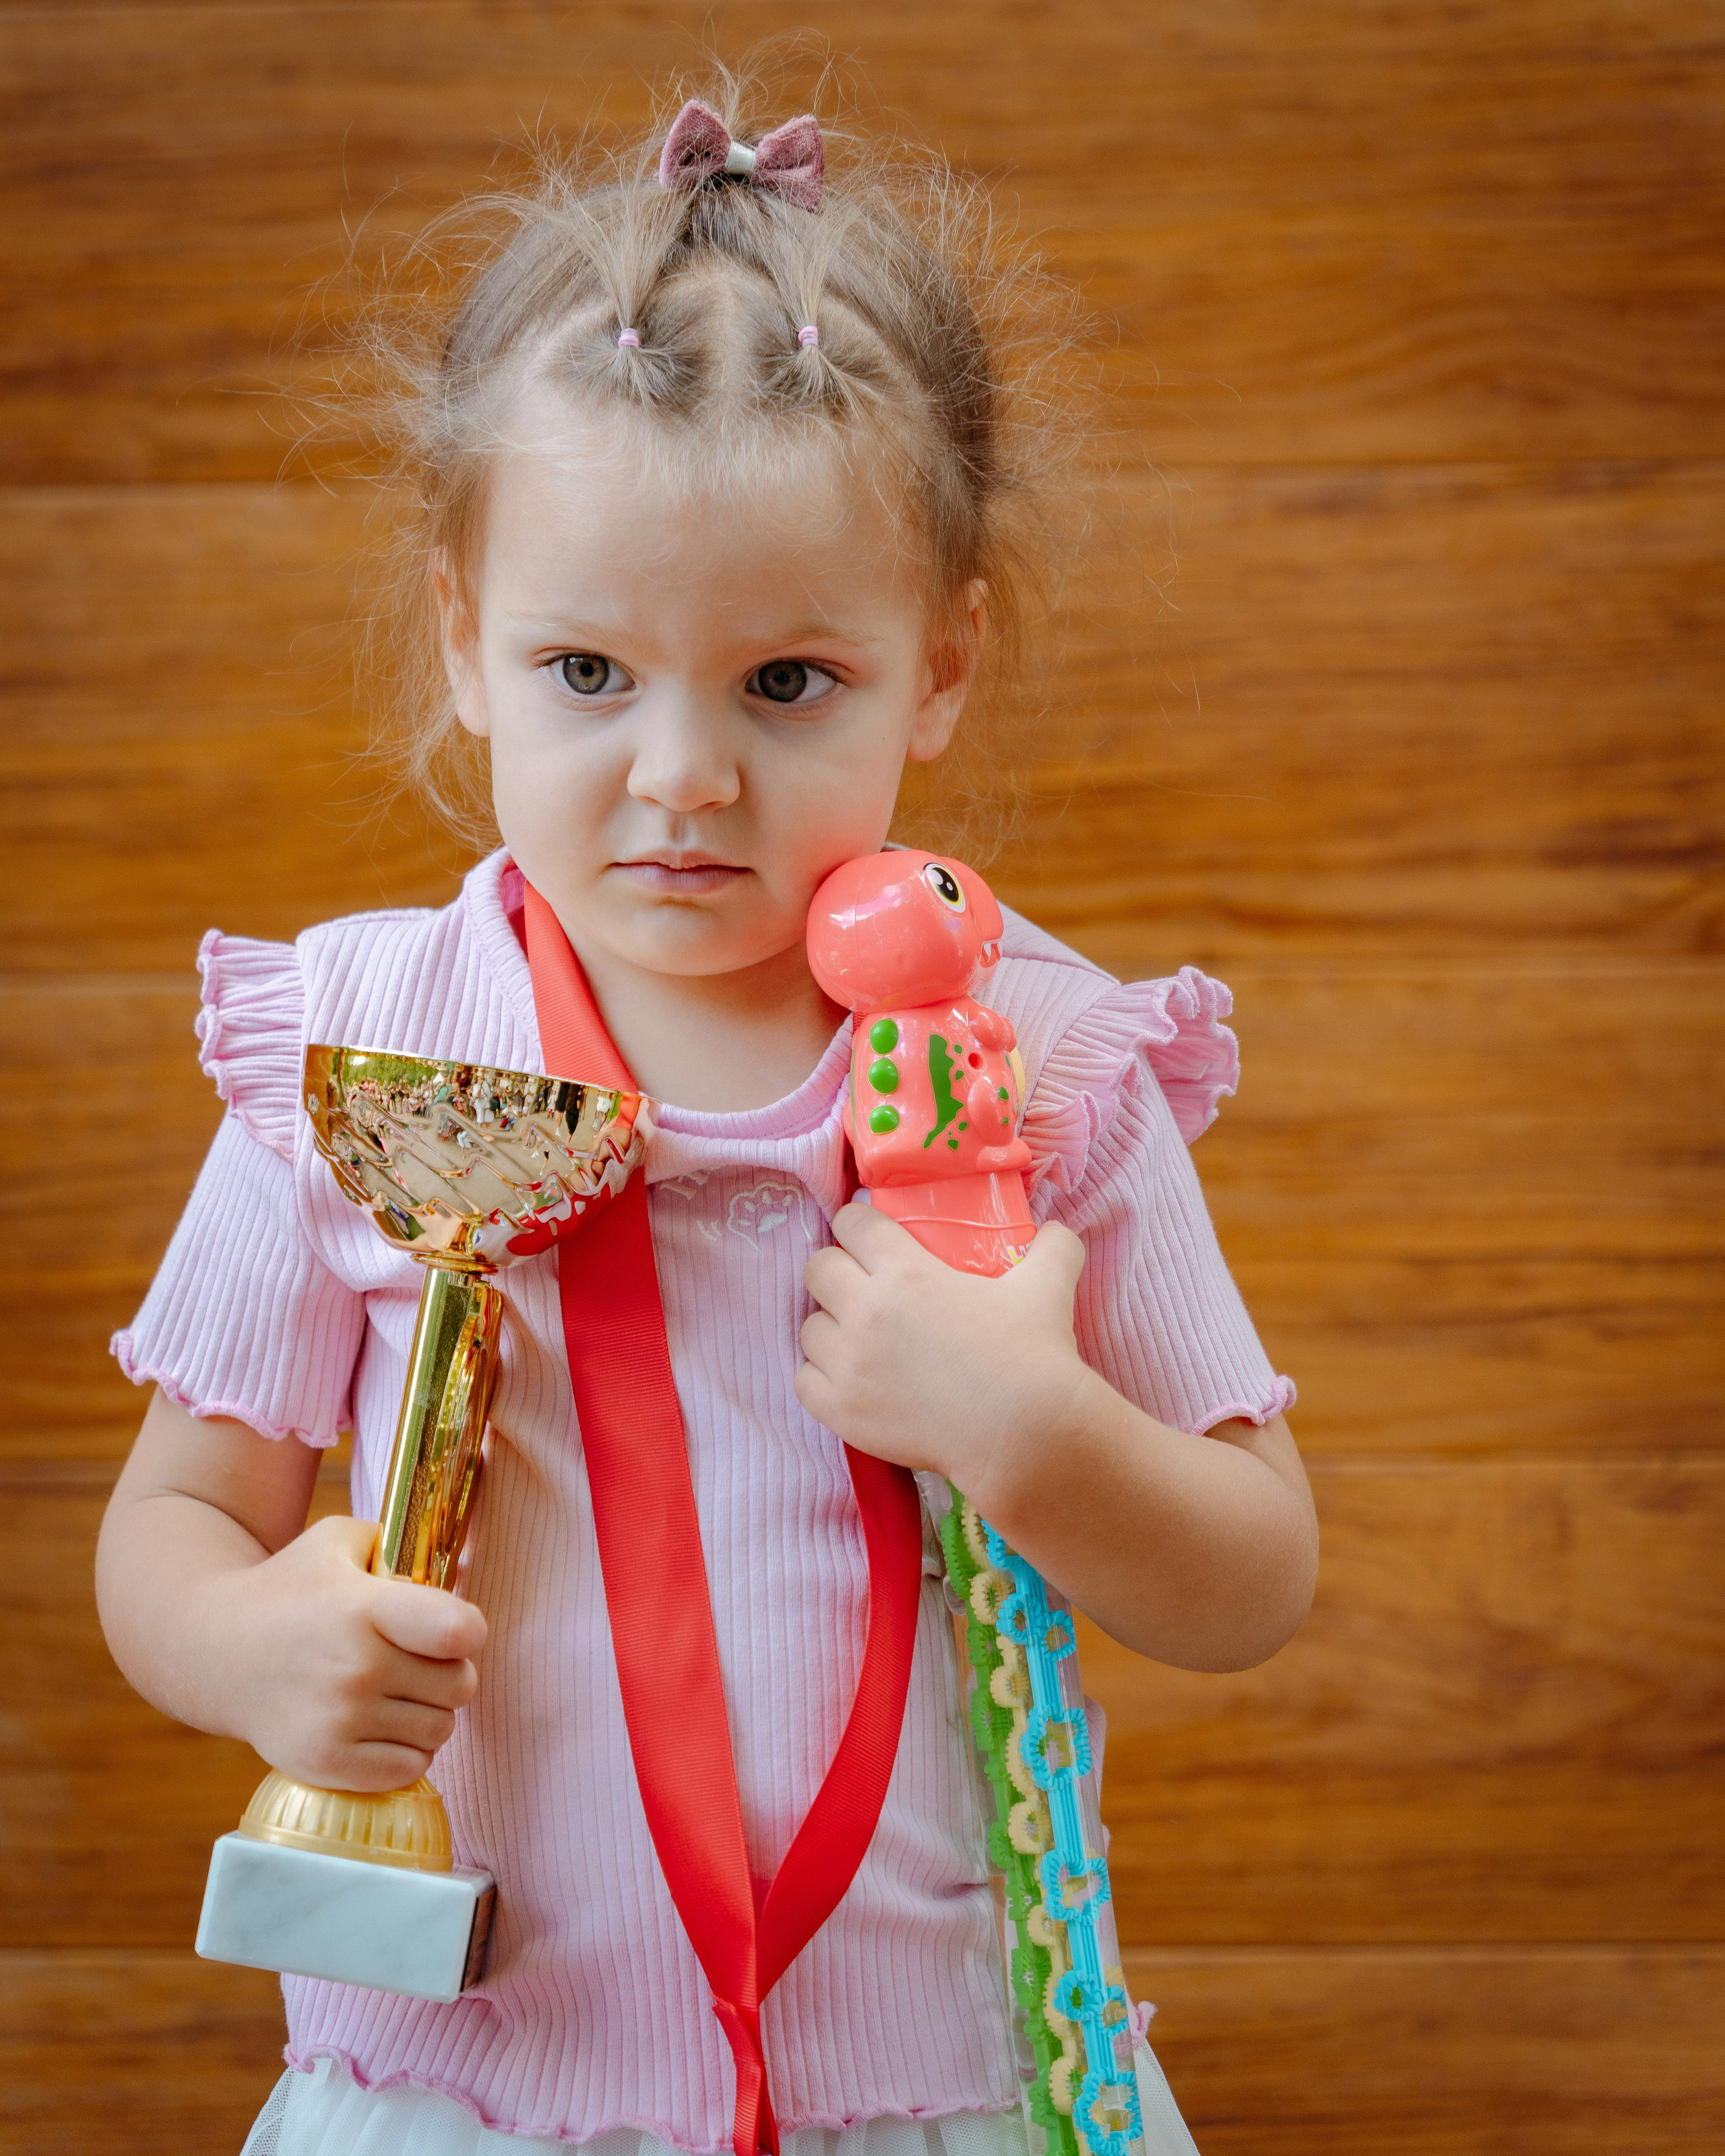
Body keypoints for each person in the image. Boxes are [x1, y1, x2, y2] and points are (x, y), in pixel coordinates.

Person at [95, 80, 1316, 2156]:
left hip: (937, 2087)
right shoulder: (363, 1041)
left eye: (785, 684)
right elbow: (169, 1530)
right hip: (463, 2090)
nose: (681, 774)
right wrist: (245, 1644)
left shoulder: (1040, 1062)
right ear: (461, 643)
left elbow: (1253, 1574)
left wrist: (1037, 1433)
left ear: (937, 670)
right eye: (587, 671)